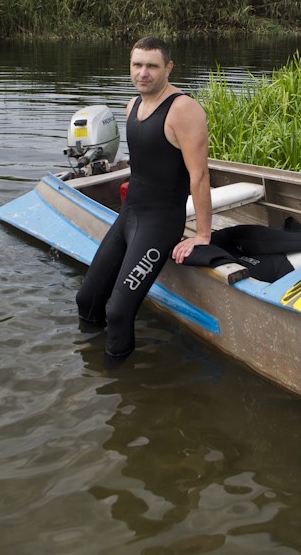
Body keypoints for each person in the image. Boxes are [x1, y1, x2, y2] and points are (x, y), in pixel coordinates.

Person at [76, 36, 212, 357]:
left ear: (168, 68)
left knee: (119, 312)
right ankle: (88, 358)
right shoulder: (132, 105)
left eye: (152, 66)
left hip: (160, 222)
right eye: (137, 65)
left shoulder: (183, 110)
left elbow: (200, 175)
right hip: (129, 214)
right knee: (87, 299)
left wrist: (203, 234)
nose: (143, 73)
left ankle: (118, 379)